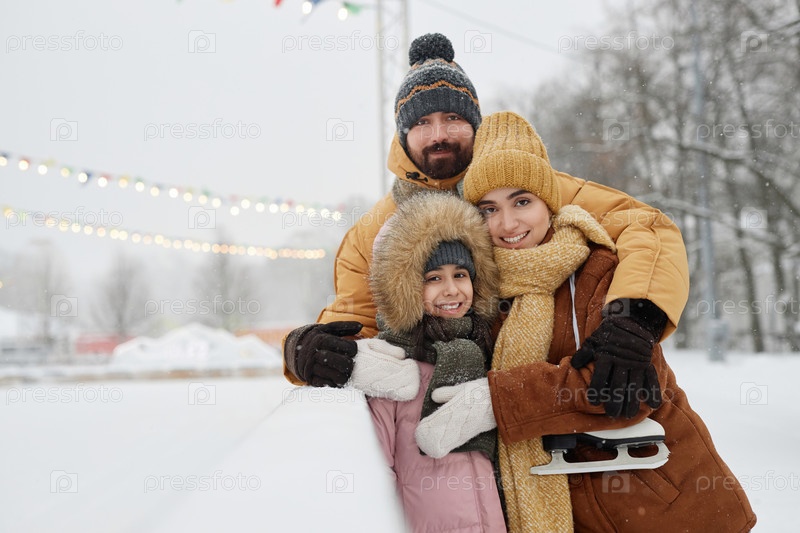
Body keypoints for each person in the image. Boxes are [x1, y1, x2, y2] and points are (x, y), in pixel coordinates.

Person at [282, 32, 690, 420]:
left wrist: (634, 317)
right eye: (422, 123)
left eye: (453, 118)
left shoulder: (526, 186)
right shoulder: (374, 230)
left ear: (475, 124)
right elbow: (356, 324)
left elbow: (646, 227)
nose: (439, 135)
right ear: (402, 134)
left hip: (536, 405)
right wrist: (303, 350)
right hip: (439, 424)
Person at [416, 111, 756, 532]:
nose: (507, 224)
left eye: (522, 201)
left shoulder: (598, 268)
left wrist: (497, 400)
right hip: (574, 513)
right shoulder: (476, 292)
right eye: (489, 209)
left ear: (548, 202)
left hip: (664, 505)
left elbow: (626, 388)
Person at [347, 192, 506, 532]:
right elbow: (377, 470)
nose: (451, 290)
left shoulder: (487, 350)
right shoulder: (392, 364)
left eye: (460, 274)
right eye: (433, 278)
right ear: (404, 287)